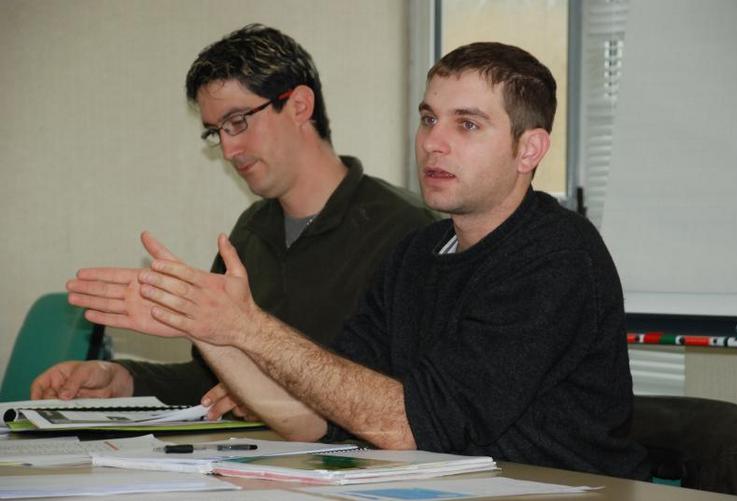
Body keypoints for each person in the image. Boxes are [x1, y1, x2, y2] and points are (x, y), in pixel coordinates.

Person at [59, 41, 650, 479]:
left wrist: (249, 327)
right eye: (428, 119)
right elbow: (316, 419)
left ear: (530, 149)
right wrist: (209, 330)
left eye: (467, 124)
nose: (433, 142)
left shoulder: (557, 255)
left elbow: (412, 426)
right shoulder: (417, 254)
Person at [30, 24, 434, 416]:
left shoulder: (410, 230)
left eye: (238, 122)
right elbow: (209, 382)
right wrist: (121, 380)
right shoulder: (251, 232)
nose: (228, 149)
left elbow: (413, 401)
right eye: (215, 132)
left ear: (298, 106)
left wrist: (274, 402)